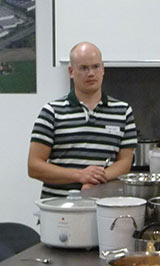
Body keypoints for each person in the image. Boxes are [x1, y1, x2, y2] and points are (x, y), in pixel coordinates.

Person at [28, 41, 137, 198]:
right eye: (84, 68)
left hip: (104, 208)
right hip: (58, 211)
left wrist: (97, 177)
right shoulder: (52, 112)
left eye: (95, 66)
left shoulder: (123, 111)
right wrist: (80, 175)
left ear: (103, 69)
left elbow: (125, 163)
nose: (91, 73)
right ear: (71, 71)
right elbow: (34, 166)